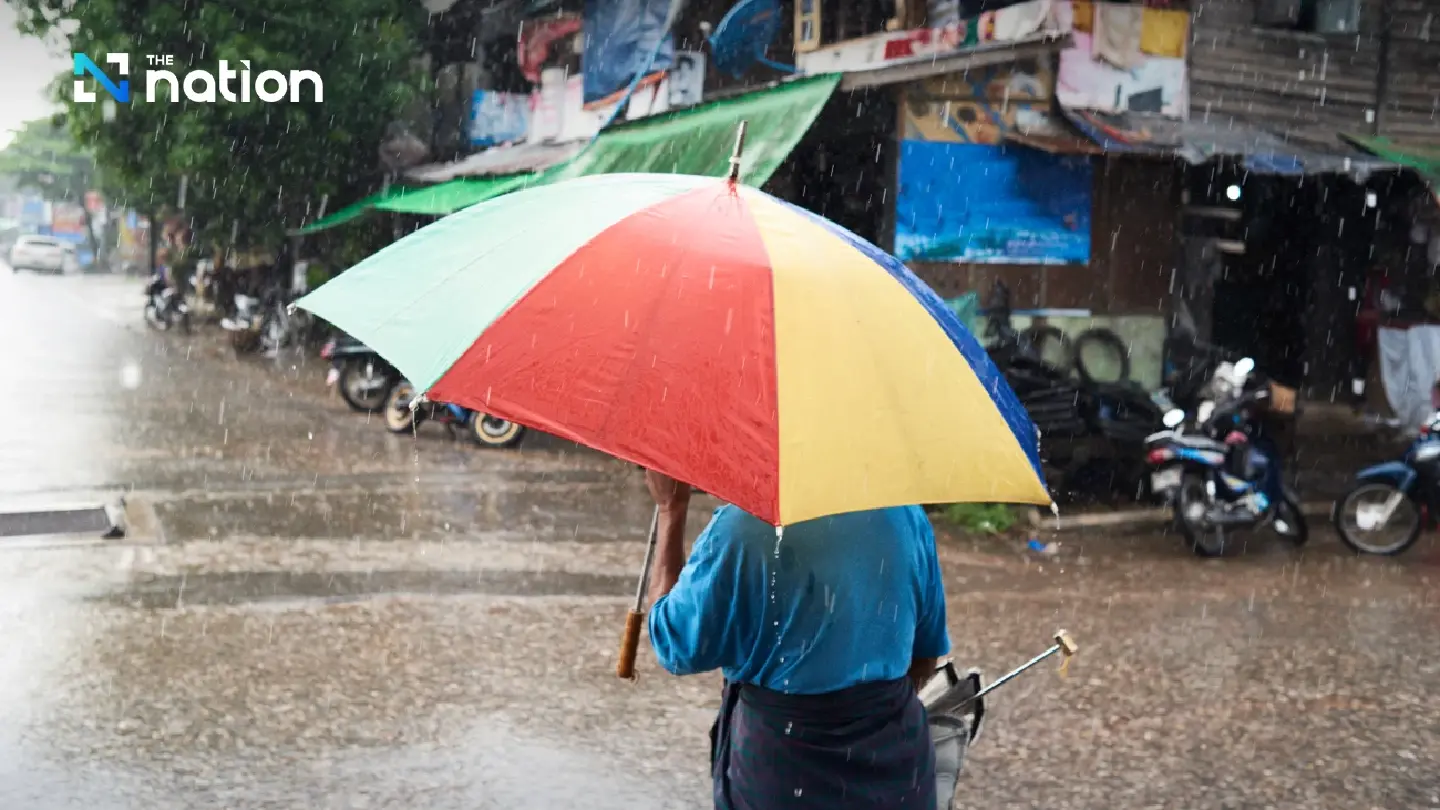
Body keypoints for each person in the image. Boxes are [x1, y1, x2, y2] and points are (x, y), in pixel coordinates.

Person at [642, 470, 949, 810]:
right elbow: (924, 655)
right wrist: (864, 716)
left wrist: (672, 510)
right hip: (897, 771)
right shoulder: (904, 514)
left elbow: (675, 643)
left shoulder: (742, 528)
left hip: (781, 771)